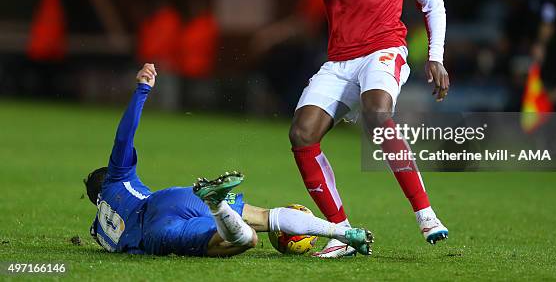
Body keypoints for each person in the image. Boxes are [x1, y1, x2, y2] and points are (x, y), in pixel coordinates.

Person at [201, 0, 449, 257]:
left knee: (377, 114)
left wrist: (436, 56)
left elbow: (432, 3)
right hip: (339, 62)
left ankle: (425, 214)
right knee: (301, 134)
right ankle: (342, 232)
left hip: (384, 51)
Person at [84, 63, 373, 257]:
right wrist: (142, 90)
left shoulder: (98, 230)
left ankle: (217, 205)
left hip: (154, 234)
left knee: (245, 240)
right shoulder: (116, 179)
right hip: (168, 200)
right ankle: (342, 232)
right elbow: (124, 138)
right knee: (263, 219)